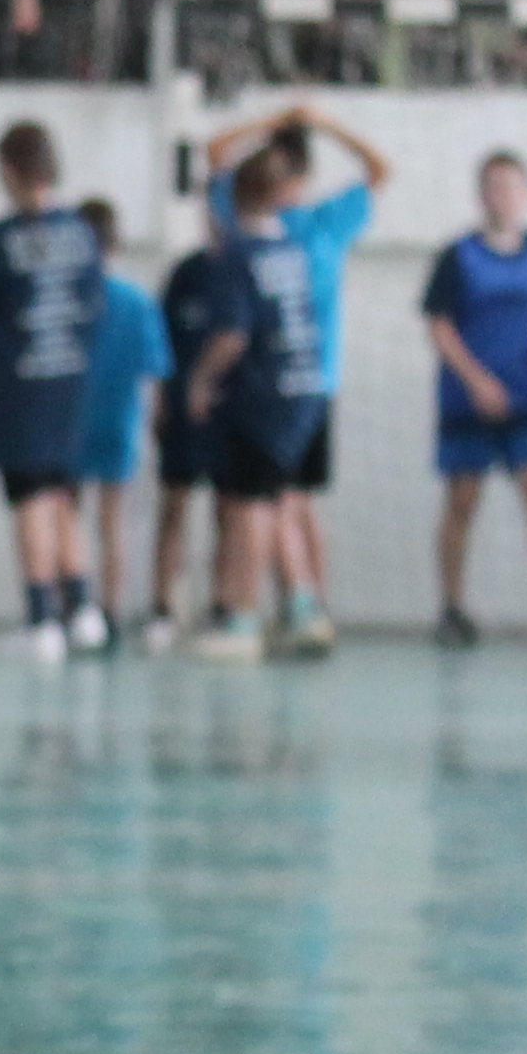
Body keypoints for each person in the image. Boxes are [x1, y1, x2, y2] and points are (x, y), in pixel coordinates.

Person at [198, 99, 388, 655]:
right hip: (303, 382)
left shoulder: (305, 223)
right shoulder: (266, 218)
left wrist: (317, 123)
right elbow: (216, 154)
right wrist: (286, 121)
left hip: (289, 382)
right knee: (286, 500)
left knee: (276, 501)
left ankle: (294, 606)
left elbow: (380, 170)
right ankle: (301, 608)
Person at [0, 121, 109, 659]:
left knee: (30, 500)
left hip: (20, 391)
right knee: (64, 497)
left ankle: (42, 616)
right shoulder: (83, 234)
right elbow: (94, 302)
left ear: (8, 170)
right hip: (71, 384)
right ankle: (83, 609)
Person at [424, 151, 527, 648]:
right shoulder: (458, 256)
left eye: (511, 186)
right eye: (493, 187)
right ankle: (453, 608)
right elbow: (439, 325)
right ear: (481, 196)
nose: (502, 196)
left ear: (526, 195)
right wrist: (476, 381)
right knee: (463, 498)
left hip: (525, 393)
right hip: (468, 397)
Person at [75, 201, 172, 644]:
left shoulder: (72, 299)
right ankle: (109, 610)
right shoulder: (137, 301)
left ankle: (74, 606)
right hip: (120, 422)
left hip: (73, 420)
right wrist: (156, 422)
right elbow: (156, 371)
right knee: (111, 521)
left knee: (68, 516)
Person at [149, 210, 246, 654]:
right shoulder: (186, 274)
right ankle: (162, 607)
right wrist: (162, 399)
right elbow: (162, 341)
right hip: (185, 412)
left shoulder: (246, 270)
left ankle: (223, 605)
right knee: (174, 505)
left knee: (229, 511)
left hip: (231, 412)